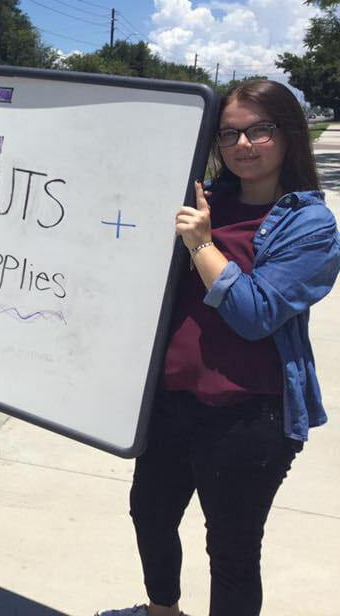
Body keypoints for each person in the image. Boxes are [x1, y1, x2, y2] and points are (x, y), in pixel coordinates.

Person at [98, 80, 340, 616]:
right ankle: (163, 612)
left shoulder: (311, 225)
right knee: (150, 514)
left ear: (288, 134)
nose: (243, 145)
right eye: (229, 133)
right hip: (171, 400)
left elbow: (254, 314)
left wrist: (202, 245)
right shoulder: (205, 200)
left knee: (230, 550)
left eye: (260, 130)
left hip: (247, 416)